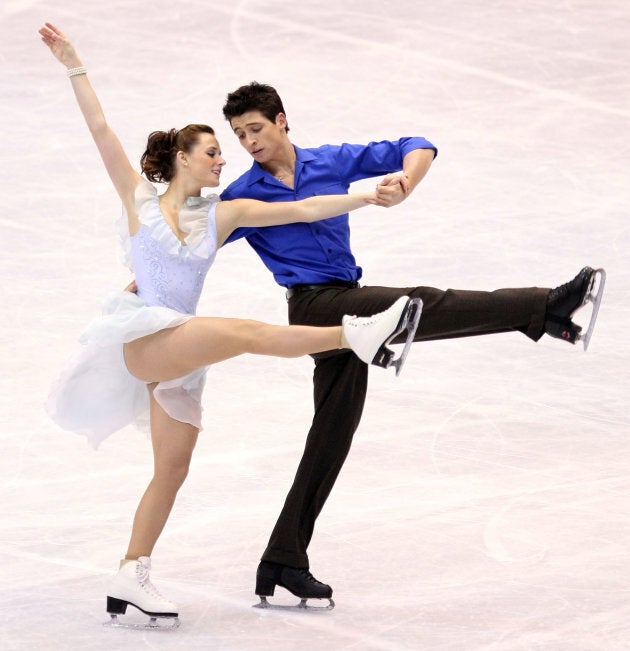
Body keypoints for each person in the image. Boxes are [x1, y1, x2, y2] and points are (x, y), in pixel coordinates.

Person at [39, 23, 420, 626]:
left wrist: (364, 197)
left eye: (226, 149)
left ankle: (129, 572)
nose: (226, 157)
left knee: (172, 468)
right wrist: (74, 65)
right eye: (213, 151)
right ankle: (359, 334)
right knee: (242, 333)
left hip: (180, 350)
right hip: (147, 337)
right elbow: (101, 132)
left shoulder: (225, 212)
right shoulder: (140, 201)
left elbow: (303, 207)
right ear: (181, 159)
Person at [219, 81, 604, 607]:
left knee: (331, 437)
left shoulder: (329, 161)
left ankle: (282, 559)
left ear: (282, 120)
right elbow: (193, 248)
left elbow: (416, 143)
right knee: (419, 304)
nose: (249, 142)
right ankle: (543, 307)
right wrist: (139, 293)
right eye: (239, 134)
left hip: (345, 300)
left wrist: (408, 183)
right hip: (314, 308)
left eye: (256, 129)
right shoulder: (243, 194)